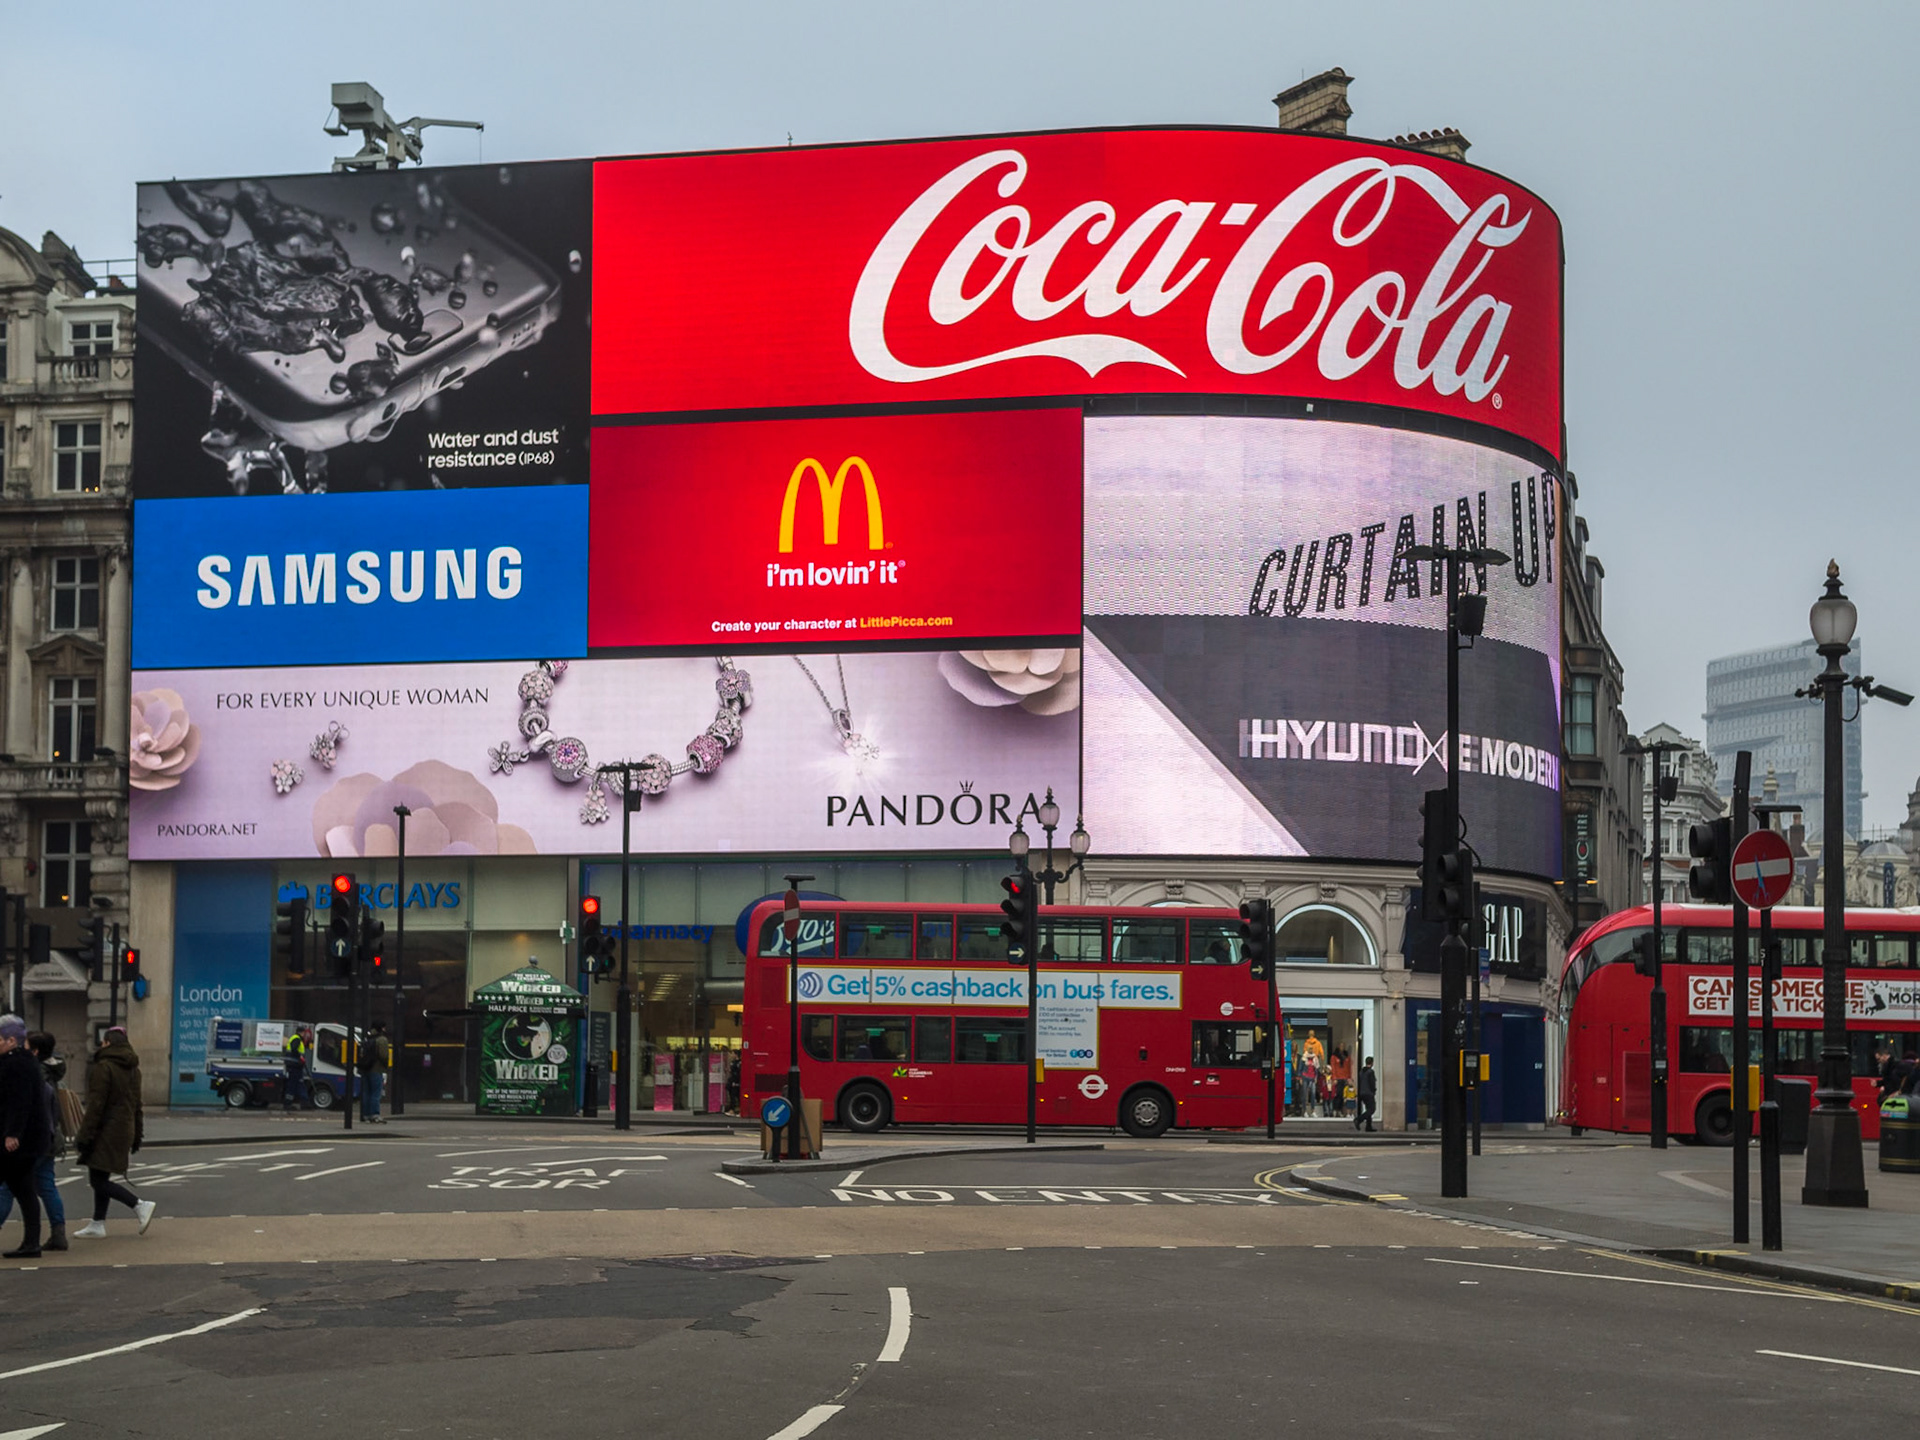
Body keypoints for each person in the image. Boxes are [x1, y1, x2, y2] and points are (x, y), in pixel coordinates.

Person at [71, 1025, 154, 1239]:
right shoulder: (134, 1070)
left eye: (103, 1042)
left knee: (98, 1180)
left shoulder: (104, 1067)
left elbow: (96, 1105)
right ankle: (97, 1223)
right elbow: (137, 1105)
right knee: (101, 1174)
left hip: (105, 1129)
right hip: (124, 1128)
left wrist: (84, 1135)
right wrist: (137, 1134)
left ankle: (139, 1205)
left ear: (107, 1043)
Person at [0, 1031, 68, 1251]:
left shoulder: (28, 1070)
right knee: (43, 1186)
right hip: (48, 1137)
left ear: (35, 1051)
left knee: (9, 1187)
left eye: (27, 1045)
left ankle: (35, 1240)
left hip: (30, 1139)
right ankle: (56, 1233)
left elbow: (22, 1105)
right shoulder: (47, 1071)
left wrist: (14, 1133)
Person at [360, 1022, 391, 1123]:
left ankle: (366, 1115)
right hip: (377, 1069)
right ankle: (375, 1114)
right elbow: (384, 1056)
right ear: (381, 1028)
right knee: (376, 1093)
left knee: (366, 1092)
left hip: (365, 1069)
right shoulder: (382, 1040)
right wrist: (386, 1065)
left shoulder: (367, 1038)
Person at [282, 1026, 310, 1111]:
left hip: (295, 1066)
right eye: (304, 1033)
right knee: (293, 1085)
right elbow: (294, 1049)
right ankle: (288, 1104)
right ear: (302, 1032)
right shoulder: (297, 1039)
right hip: (294, 1065)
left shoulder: (296, 1038)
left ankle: (304, 1103)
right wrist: (300, 1057)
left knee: (299, 1084)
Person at [1354, 1055, 1377, 1133]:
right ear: (1372, 1063)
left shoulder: (1361, 1072)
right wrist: (1374, 1091)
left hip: (1362, 1093)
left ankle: (1368, 1126)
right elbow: (1372, 1083)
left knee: (1368, 1109)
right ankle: (1359, 1119)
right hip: (1369, 1093)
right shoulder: (1370, 1072)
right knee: (1372, 1109)